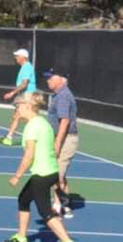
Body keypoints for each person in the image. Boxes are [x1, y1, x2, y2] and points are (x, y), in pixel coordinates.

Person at [4, 93, 79, 242]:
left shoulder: (32, 127)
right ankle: (21, 237)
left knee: (45, 211)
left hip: (42, 174)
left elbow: (29, 156)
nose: (17, 109)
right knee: (24, 199)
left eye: (19, 106)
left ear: (28, 107)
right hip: (50, 171)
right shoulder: (43, 123)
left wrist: (17, 176)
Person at [45, 70, 79, 218]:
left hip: (65, 139)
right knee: (60, 174)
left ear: (62, 80)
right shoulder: (59, 95)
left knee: (57, 174)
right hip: (61, 138)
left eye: (51, 78)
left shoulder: (63, 96)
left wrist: (57, 143)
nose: (48, 81)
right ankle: (65, 206)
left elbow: (64, 121)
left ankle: (58, 206)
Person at [0, 47, 36, 146]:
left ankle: (34, 138)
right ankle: (9, 137)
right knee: (17, 116)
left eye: (17, 56)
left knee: (28, 117)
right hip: (23, 94)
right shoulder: (24, 67)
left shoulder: (27, 67)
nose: (15, 58)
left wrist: (12, 93)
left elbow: (25, 84)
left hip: (27, 94)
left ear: (23, 57)